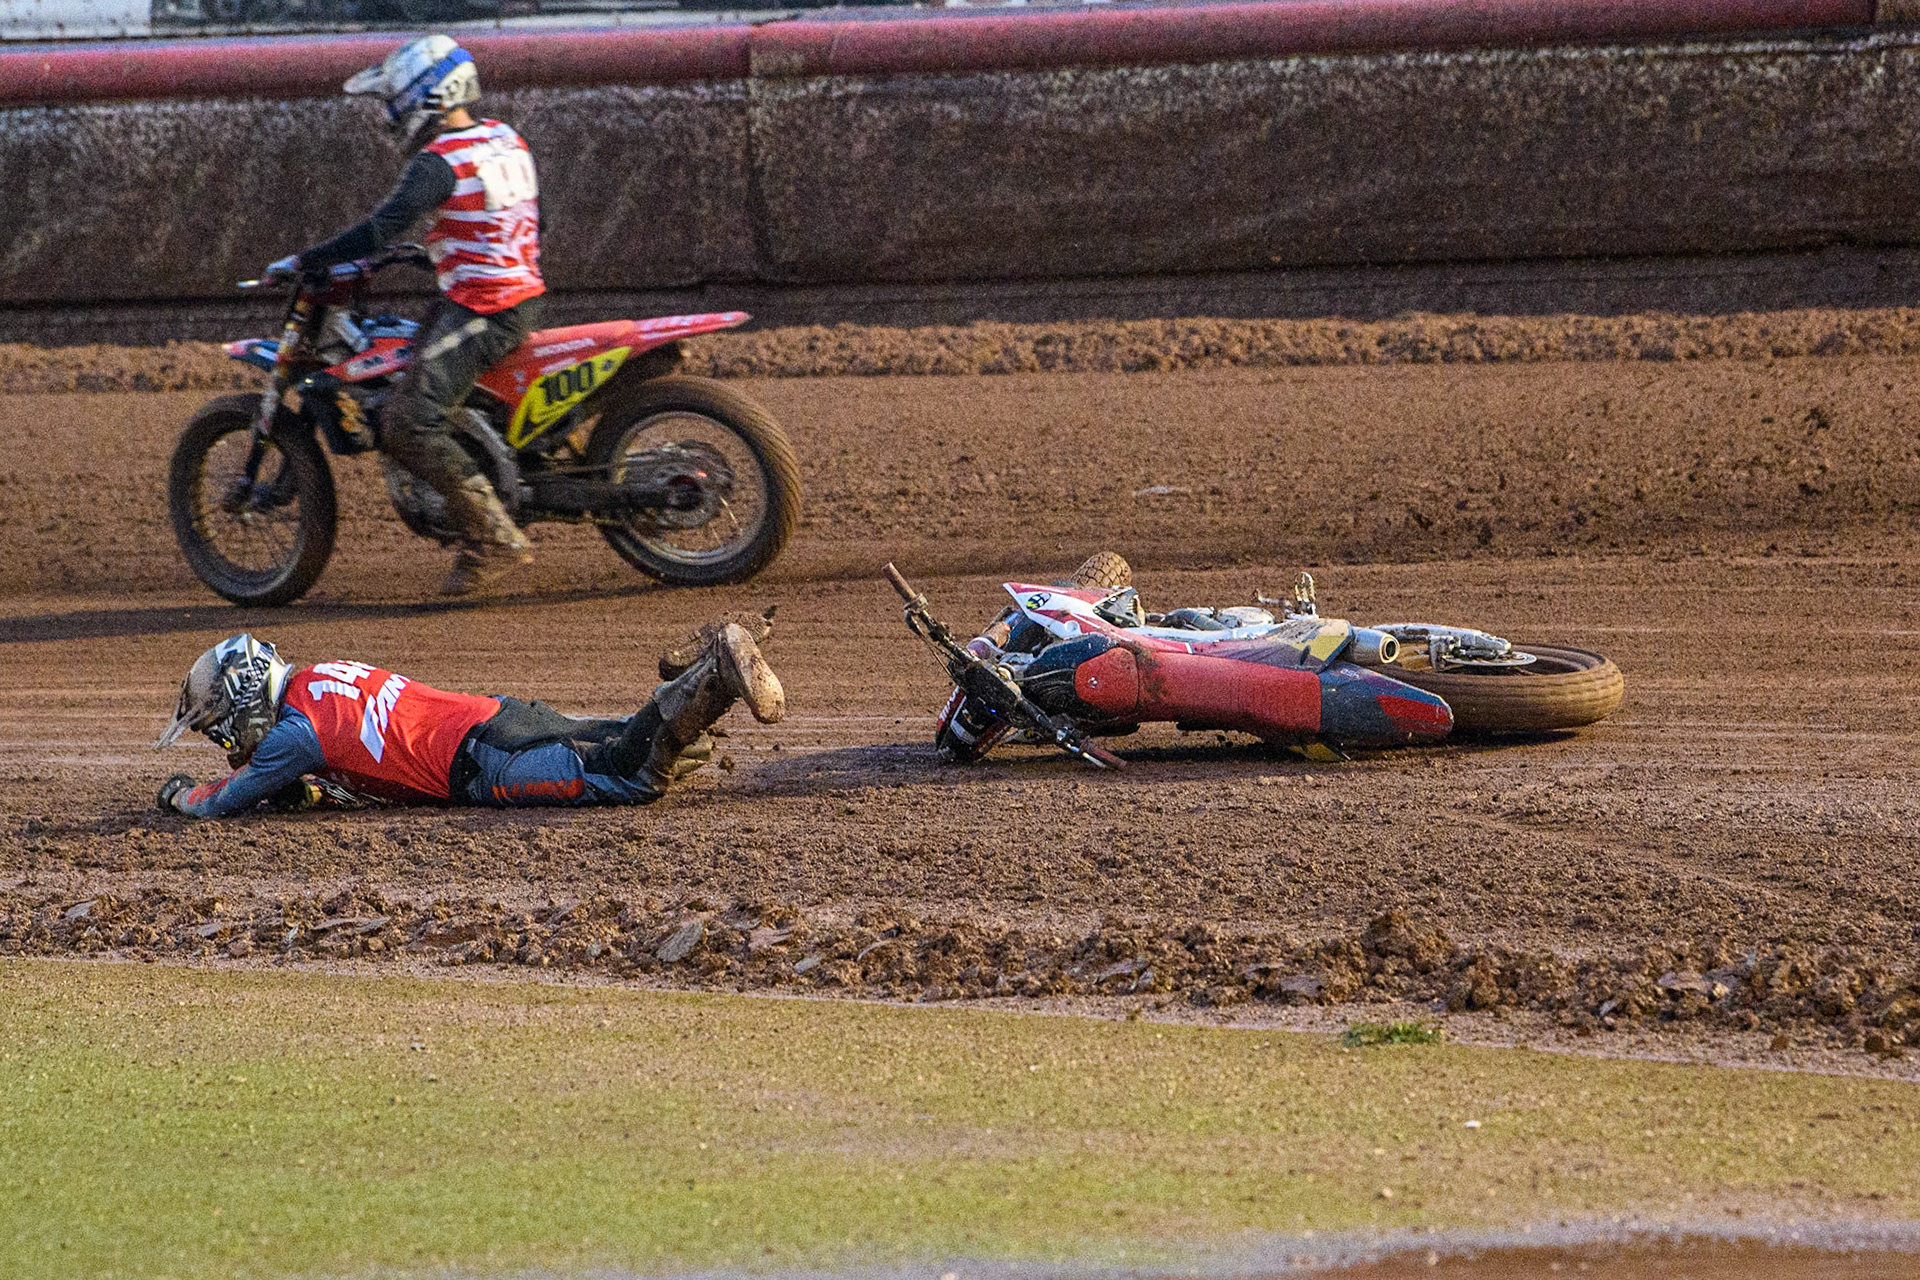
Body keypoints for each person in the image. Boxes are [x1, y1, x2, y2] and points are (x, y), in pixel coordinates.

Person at [268, 35, 545, 596]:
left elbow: (378, 230)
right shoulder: (506, 139)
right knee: (411, 361)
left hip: (484, 309)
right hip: (512, 294)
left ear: (426, 95)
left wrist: (306, 259)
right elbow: (526, 221)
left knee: (406, 423)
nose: (389, 112)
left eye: (393, 99)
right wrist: (449, 255)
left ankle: (495, 535)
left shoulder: (438, 162)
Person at [152, 621, 784, 818]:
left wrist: (184, 794)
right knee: (624, 741)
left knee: (627, 779)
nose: (224, 741)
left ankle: (714, 674)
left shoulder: (295, 735)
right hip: (496, 716)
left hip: (485, 765)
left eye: (218, 727)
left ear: (241, 698)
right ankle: (705, 674)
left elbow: (221, 802)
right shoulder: (320, 676)